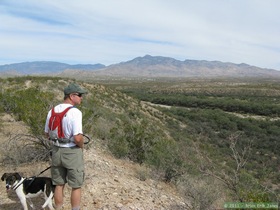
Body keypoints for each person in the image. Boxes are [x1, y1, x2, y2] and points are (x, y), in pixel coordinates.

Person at [44, 83, 87, 210]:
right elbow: (78, 137)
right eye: (80, 95)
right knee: (76, 185)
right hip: (72, 151)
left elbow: (46, 133)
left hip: (56, 150)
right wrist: (81, 146)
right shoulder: (75, 113)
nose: (81, 98)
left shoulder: (52, 111)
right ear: (72, 96)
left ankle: (58, 208)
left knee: (58, 184)